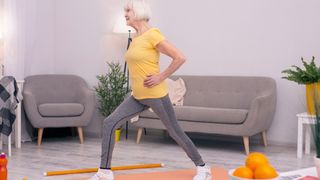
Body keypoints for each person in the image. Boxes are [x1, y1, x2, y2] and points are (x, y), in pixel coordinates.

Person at [89, 0, 211, 180]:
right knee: (109, 123)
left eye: (128, 10)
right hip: (137, 96)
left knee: (175, 132)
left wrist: (161, 77)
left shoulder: (153, 35)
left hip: (155, 96)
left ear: (138, 12)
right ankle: (105, 172)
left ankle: (203, 167)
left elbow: (179, 57)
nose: (125, 14)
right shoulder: (137, 38)